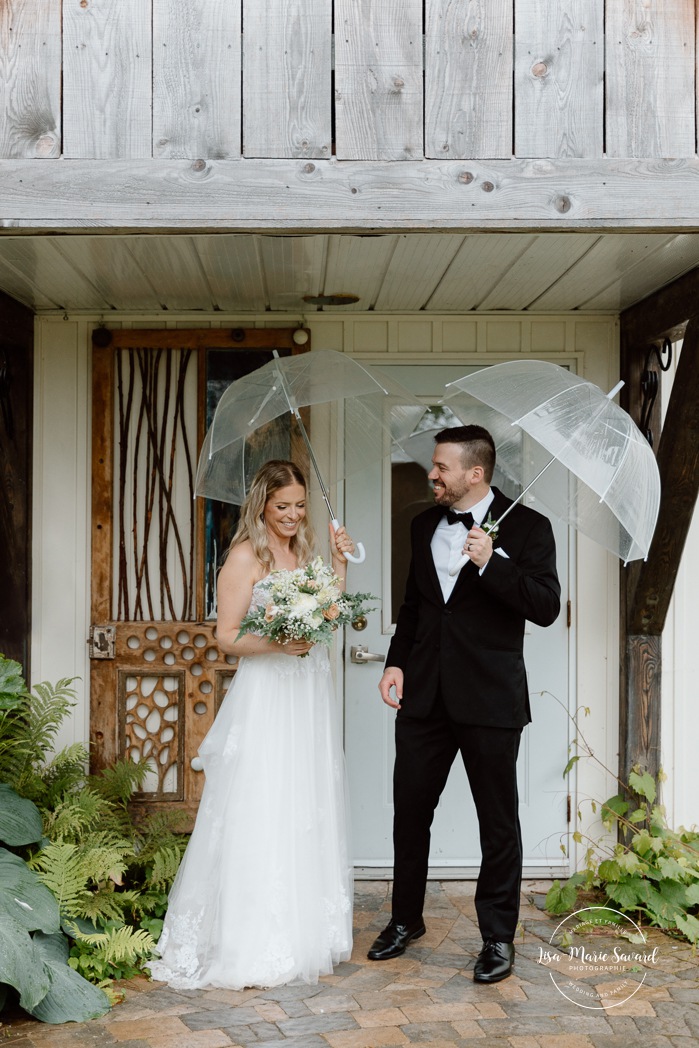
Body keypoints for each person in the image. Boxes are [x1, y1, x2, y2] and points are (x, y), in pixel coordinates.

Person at [148, 460, 355, 989]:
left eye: (300, 506)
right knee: (263, 800)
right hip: (268, 694)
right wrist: (279, 644)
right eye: (282, 506)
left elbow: (329, 612)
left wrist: (338, 563)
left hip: (307, 690)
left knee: (304, 800)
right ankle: (254, 938)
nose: (292, 515)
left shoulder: (305, 552)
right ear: (262, 504)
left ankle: (307, 929)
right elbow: (227, 637)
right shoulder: (244, 556)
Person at [368, 426, 561, 983]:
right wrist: (395, 662)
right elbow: (415, 606)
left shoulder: (529, 528)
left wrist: (492, 563)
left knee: (498, 822)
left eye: (441, 467)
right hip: (424, 694)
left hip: (491, 697)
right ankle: (405, 920)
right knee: (411, 810)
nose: (432, 474)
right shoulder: (424, 523)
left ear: (474, 473)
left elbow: (545, 606)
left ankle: (498, 938)